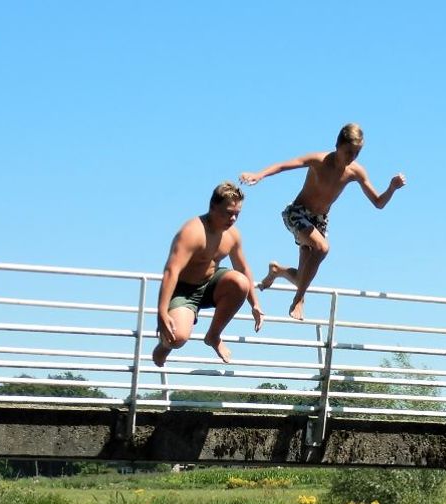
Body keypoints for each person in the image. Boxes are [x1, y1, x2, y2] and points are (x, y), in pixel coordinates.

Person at [240, 123, 407, 320]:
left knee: (303, 277)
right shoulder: (318, 160)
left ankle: (278, 271)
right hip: (297, 213)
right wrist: (259, 174)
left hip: (319, 222)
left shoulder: (356, 172)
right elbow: (285, 165)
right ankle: (299, 300)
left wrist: (392, 188)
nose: (351, 158)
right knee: (322, 248)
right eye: (348, 152)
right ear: (337, 145)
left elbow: (378, 203)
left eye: (357, 153)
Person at [152, 182, 264, 368]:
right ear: (212, 207)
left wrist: (255, 304)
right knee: (177, 338)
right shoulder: (192, 232)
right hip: (183, 290)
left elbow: (243, 268)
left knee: (240, 282)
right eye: (228, 213)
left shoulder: (232, 235)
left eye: (237, 214)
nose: (233, 218)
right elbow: (171, 271)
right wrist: (162, 313)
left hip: (210, 285)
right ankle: (164, 346)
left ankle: (213, 335)